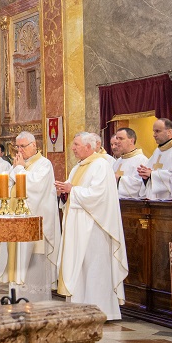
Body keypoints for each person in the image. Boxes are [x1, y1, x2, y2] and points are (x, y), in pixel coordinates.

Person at [55, 132, 128, 320]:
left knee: (95, 269)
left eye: (76, 144)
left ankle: (101, 311)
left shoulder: (101, 165)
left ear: (88, 147)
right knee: (80, 268)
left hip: (95, 227)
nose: (73, 148)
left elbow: (99, 195)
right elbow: (73, 193)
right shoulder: (77, 167)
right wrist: (64, 192)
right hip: (77, 226)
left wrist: (72, 190)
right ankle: (79, 309)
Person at [6, 132, 60, 302]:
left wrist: (19, 169)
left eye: (23, 146)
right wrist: (15, 170)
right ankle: (16, 297)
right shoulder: (19, 164)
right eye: (17, 146)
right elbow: (9, 184)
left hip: (35, 223)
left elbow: (34, 186)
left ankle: (36, 300)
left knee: (33, 263)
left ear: (34, 145)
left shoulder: (44, 164)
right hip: (17, 220)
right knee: (17, 259)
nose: (19, 150)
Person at [138, 118, 172, 200]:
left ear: (169, 132)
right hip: (153, 200)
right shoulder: (157, 151)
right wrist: (145, 176)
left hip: (170, 200)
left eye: (157, 131)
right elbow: (149, 173)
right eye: (154, 131)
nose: (154, 135)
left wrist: (152, 174)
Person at [112, 127, 148, 199]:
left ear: (131, 141)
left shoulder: (142, 160)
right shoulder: (118, 161)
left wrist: (119, 179)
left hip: (131, 203)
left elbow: (140, 185)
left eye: (121, 139)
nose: (117, 142)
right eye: (117, 138)